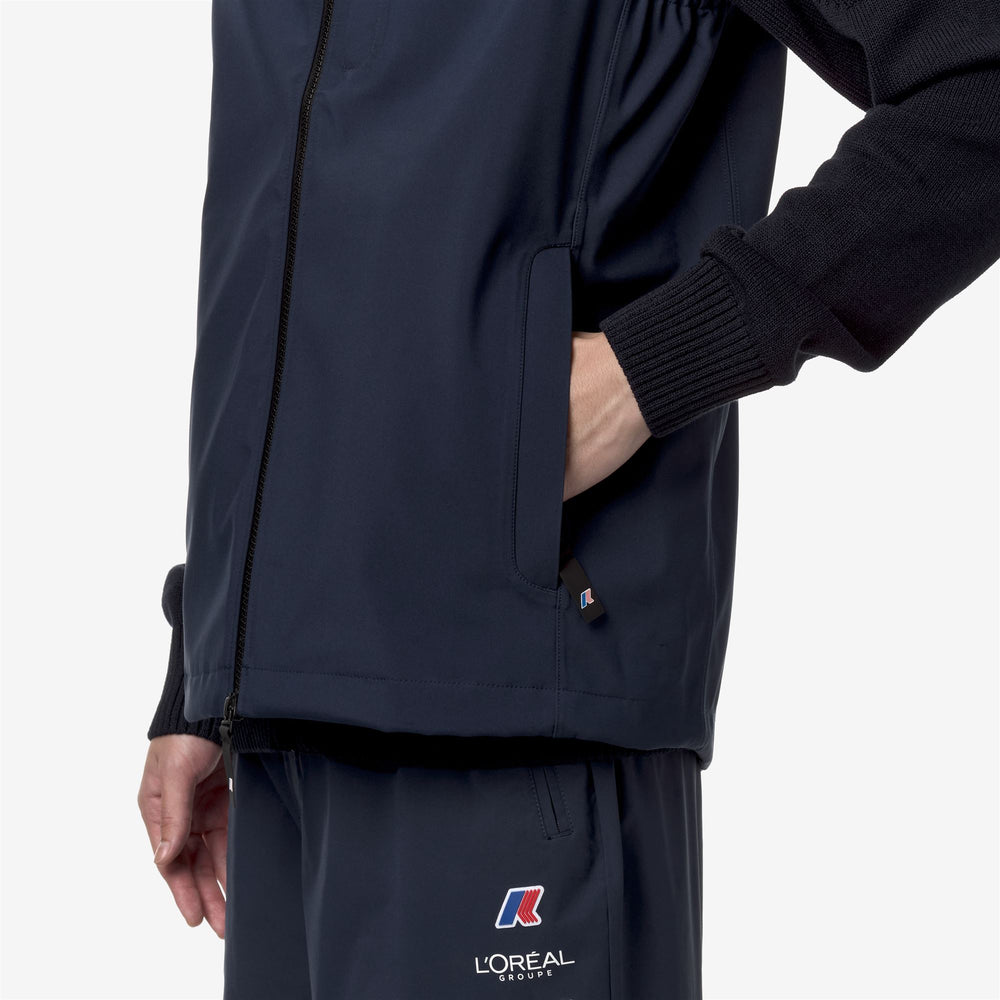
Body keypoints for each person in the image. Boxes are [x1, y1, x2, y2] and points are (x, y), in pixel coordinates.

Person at [137, 1, 1000, 996]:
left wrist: (645, 369)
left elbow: (977, 76)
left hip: (514, 710)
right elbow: (300, 240)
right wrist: (202, 660)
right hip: (282, 738)